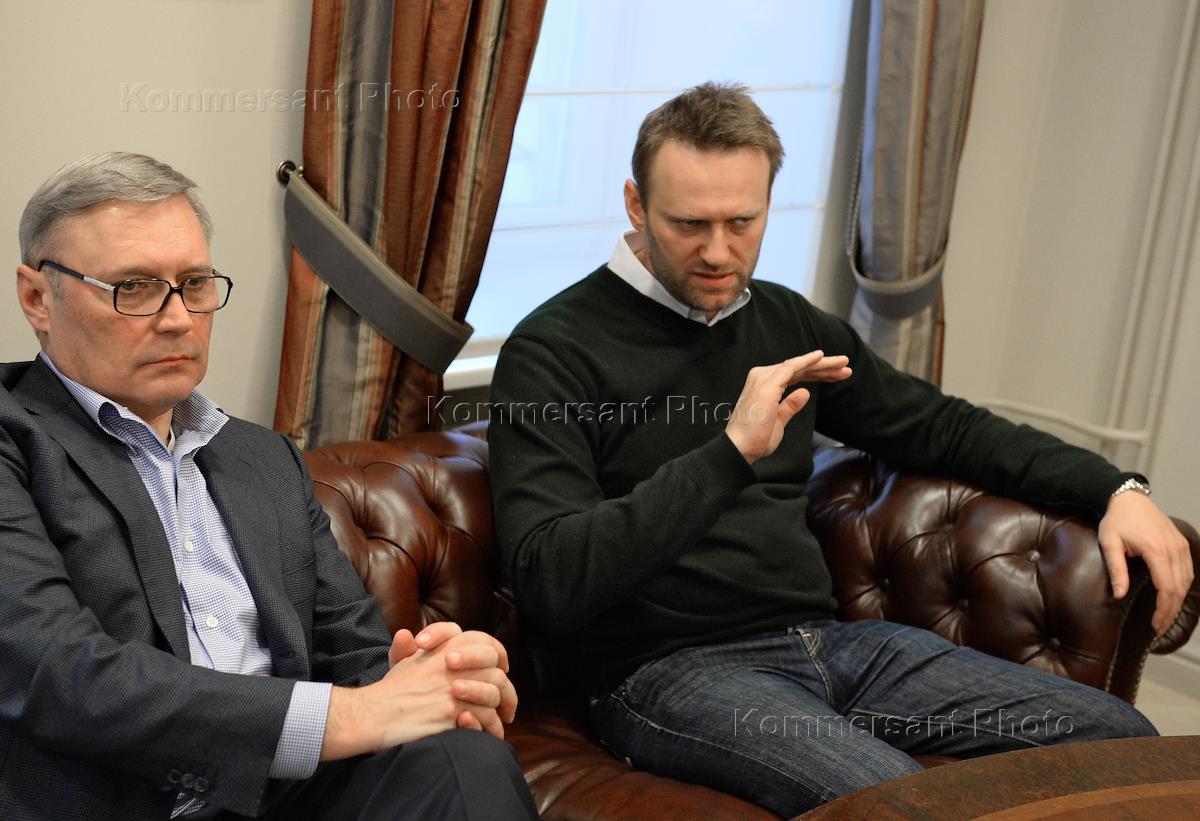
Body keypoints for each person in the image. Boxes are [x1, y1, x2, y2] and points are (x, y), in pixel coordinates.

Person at [487, 82, 1194, 816]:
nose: (719, 252)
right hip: (665, 672)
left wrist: (1115, 489)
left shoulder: (785, 321)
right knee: (904, 805)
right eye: (690, 223)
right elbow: (551, 578)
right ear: (636, 205)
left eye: (743, 221)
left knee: (1121, 739)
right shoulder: (553, 351)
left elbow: (942, 427)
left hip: (829, 644)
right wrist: (731, 450)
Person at [1, 152, 538, 821]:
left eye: (194, 283)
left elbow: (357, 655)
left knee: (465, 757)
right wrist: (357, 713)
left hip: (286, 794)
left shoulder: (263, 457)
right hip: (122, 801)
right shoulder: (16, 441)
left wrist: (437, 681)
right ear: (37, 298)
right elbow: (55, 673)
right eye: (133, 287)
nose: (178, 319)